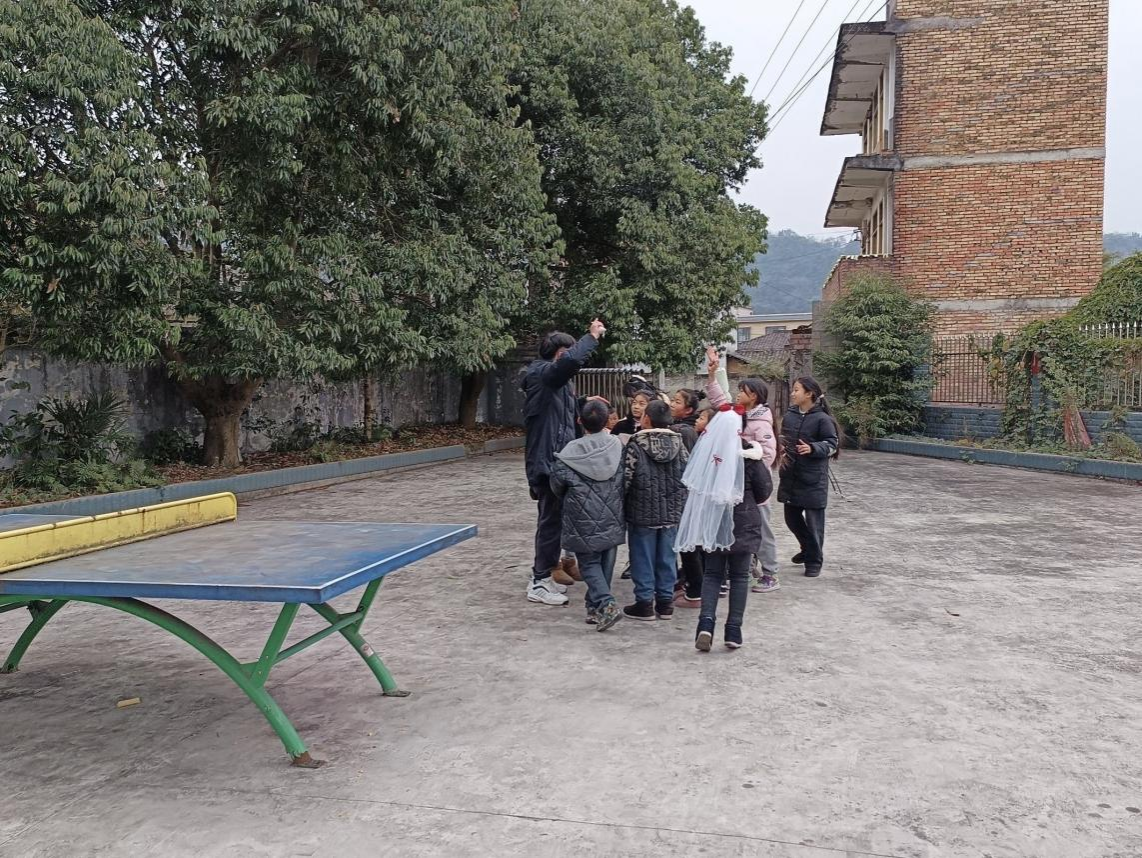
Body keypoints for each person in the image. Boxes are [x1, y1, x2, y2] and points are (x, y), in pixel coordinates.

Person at [521, 318, 607, 606]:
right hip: (547, 463)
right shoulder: (543, 374)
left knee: (555, 521)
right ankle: (539, 581)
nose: (574, 359)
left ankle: (545, 574)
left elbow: (562, 410)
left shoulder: (554, 383)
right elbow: (568, 365)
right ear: (559, 354)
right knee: (550, 523)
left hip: (556, 461)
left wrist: (582, 401)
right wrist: (591, 337)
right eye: (568, 352)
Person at [704, 346, 781, 594]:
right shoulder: (738, 414)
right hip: (735, 484)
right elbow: (719, 400)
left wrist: (746, 467)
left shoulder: (760, 422)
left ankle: (771, 573)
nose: (738, 394)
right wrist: (712, 374)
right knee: (740, 528)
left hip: (755, 487)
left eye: (743, 391)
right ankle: (746, 569)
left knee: (761, 529)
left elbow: (767, 455)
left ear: (754, 396)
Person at [549, 400, 625, 631]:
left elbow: (557, 484)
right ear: (607, 421)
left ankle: (606, 604)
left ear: (579, 421)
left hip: (580, 516)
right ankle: (594, 609)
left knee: (589, 563)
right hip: (613, 513)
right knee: (606, 562)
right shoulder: (617, 446)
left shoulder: (570, 452)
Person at [693, 432, 772, 652]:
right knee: (739, 577)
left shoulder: (708, 454)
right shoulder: (750, 456)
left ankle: (705, 624)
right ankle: (734, 630)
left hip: (714, 519)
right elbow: (764, 491)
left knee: (712, 574)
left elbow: (697, 486)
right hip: (744, 522)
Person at [622, 399, 689, 621]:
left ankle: (644, 603)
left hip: (641, 511)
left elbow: (626, 478)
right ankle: (665, 602)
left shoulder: (635, 444)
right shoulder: (679, 444)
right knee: (668, 556)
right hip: (671, 512)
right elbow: (688, 475)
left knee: (642, 557)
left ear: (647, 420)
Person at [778, 376, 841, 579]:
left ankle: (814, 561)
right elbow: (783, 438)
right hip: (790, 476)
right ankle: (807, 548)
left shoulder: (823, 419)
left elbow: (832, 445)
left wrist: (813, 448)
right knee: (791, 518)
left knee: (814, 524)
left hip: (813, 479)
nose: (792, 393)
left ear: (809, 394)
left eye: (796, 390)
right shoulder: (790, 416)